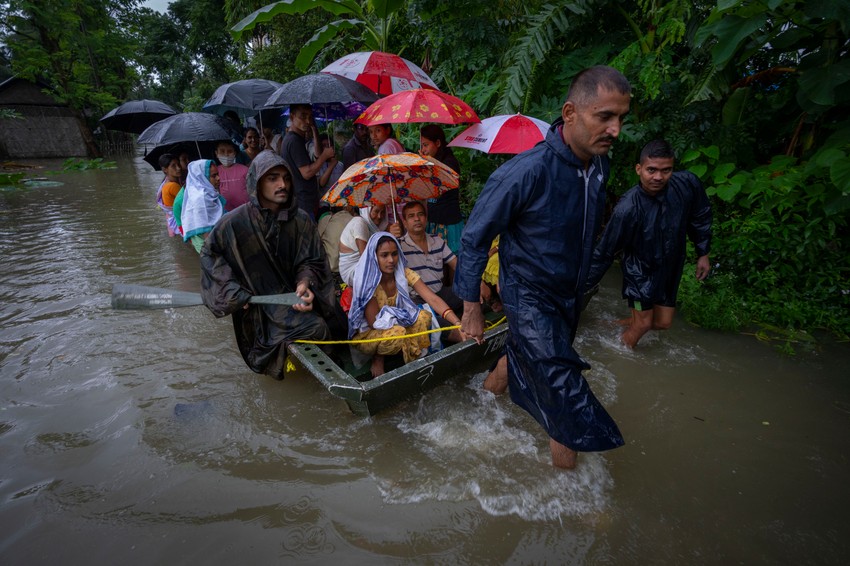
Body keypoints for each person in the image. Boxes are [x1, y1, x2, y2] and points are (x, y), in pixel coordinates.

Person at [455, 65, 631, 470]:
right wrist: (471, 307)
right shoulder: (524, 172)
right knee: (561, 384)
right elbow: (475, 237)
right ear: (570, 113)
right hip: (529, 295)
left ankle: (482, 403)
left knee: (522, 355)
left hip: (569, 292)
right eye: (604, 116)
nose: (615, 129)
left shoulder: (599, 167)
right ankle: (571, 492)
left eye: (620, 118)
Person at [200, 150, 344, 379]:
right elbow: (209, 255)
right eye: (272, 178)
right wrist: (232, 291)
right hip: (256, 304)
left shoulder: (301, 220)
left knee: (335, 324)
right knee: (315, 328)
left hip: (294, 298)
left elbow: (312, 260)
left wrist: (304, 284)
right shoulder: (233, 223)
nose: (282, 184)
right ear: (257, 183)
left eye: (286, 178)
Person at [585, 139, 712, 348]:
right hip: (639, 271)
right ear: (639, 169)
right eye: (651, 170)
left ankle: (610, 325)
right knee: (643, 325)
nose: (658, 177)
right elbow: (605, 251)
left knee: (662, 323)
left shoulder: (687, 184)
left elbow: (701, 215)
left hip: (670, 265)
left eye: (666, 170)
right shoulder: (627, 209)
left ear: (673, 168)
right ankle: (622, 357)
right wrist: (582, 287)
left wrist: (703, 252)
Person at [348, 232, 466, 378]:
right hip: (371, 333)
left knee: (424, 317)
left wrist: (457, 323)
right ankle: (378, 358)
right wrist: (403, 320)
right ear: (374, 257)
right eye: (384, 255)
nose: (391, 260)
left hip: (399, 322)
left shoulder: (403, 273)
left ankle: (418, 358)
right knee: (398, 334)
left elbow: (432, 299)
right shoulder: (368, 282)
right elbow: (374, 323)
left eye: (394, 254)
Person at [398, 201, 464, 320]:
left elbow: (458, 266)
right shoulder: (399, 246)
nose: (417, 219)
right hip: (416, 299)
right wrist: (391, 236)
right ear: (405, 223)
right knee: (428, 320)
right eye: (411, 216)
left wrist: (478, 283)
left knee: (470, 291)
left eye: (420, 214)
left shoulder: (437, 240)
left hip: (440, 293)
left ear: (426, 218)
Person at [280, 104, 336, 220]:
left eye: (310, 117)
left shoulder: (297, 139)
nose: (307, 121)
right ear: (292, 117)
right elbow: (307, 173)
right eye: (303, 116)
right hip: (302, 202)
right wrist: (325, 156)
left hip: (305, 201)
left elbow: (316, 157)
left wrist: (314, 129)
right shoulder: (294, 140)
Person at [419, 125, 464, 253]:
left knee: (450, 259)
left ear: (438, 143)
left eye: (426, 145)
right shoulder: (430, 162)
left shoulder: (450, 162)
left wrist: (427, 163)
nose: (423, 149)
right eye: (422, 145)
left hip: (448, 222)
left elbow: (439, 186)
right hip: (433, 220)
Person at [338, 205, 393, 287]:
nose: (379, 216)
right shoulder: (359, 223)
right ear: (367, 210)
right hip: (353, 271)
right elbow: (365, 257)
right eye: (376, 211)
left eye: (383, 212)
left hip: (366, 266)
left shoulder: (377, 228)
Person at [179, 159, 224, 253]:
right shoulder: (201, 199)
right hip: (208, 244)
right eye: (213, 176)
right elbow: (206, 230)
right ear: (202, 178)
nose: (218, 178)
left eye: (217, 174)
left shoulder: (210, 193)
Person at [214, 140, 250, 212]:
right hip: (224, 213)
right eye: (222, 151)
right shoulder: (215, 172)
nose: (226, 154)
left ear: (235, 153)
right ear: (216, 153)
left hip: (245, 211)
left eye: (230, 151)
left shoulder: (245, 170)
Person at [156, 153, 182, 237]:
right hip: (178, 221)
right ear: (165, 169)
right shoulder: (173, 186)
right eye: (173, 166)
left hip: (171, 221)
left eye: (178, 164)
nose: (178, 168)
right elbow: (187, 202)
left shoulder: (165, 182)